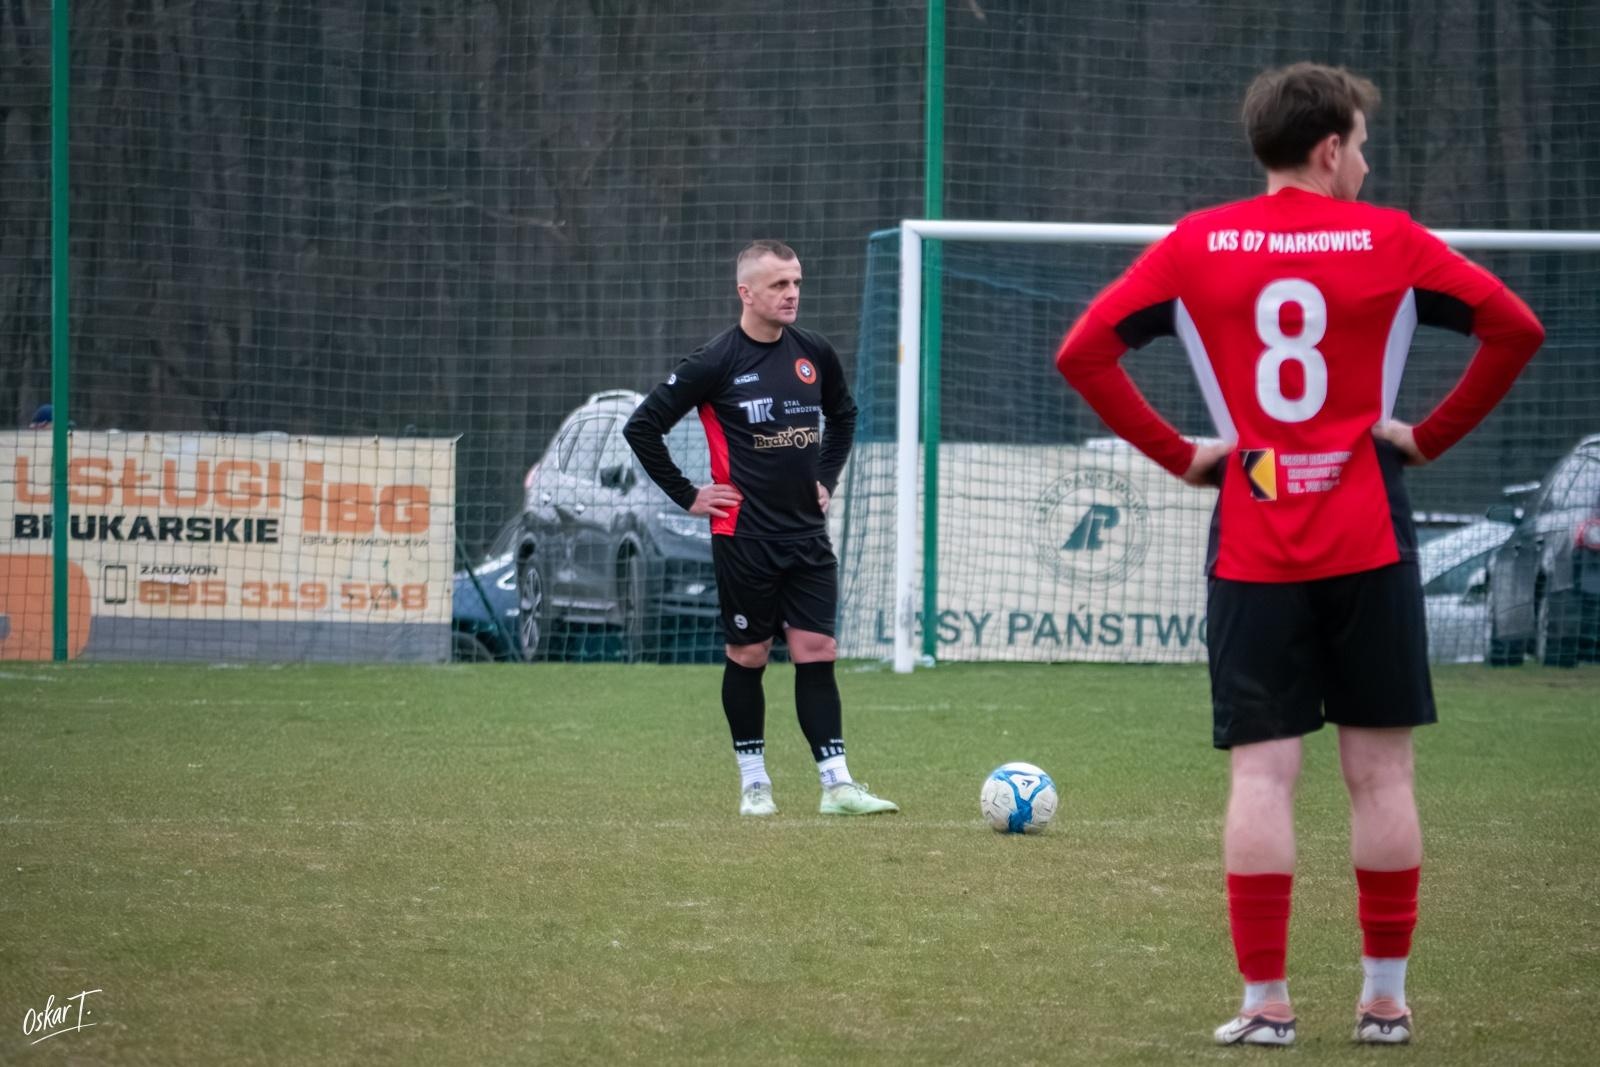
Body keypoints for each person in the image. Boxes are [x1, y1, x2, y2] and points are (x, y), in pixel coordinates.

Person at [1055, 63, 1544, 1047]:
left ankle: (1266, 1001)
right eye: (1359, 144)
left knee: (1262, 777)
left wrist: (1186, 453)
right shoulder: (1391, 240)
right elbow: (1513, 326)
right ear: (1328, 148)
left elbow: (1083, 352)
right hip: (1367, 533)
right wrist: (1429, 434)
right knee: (1381, 776)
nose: (1364, 161)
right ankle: (1383, 998)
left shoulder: (1196, 244)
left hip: (1252, 535)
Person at [623, 239, 898, 818]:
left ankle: (837, 784)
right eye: (778, 284)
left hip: (806, 536)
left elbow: (844, 416)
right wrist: (690, 495)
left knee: (817, 649)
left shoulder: (814, 352)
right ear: (746, 293)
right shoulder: (714, 361)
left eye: (796, 281)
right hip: (744, 538)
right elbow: (642, 427)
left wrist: (827, 477)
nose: (792, 293)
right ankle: (755, 784)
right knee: (748, 655)